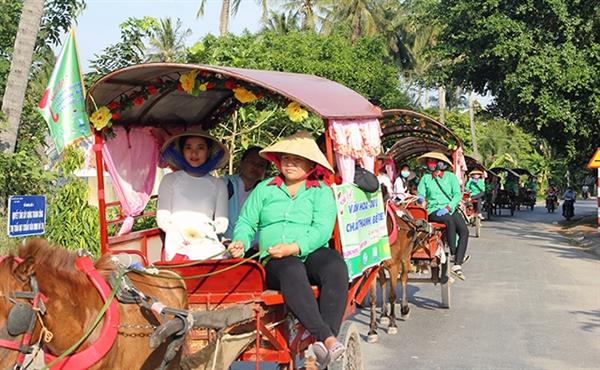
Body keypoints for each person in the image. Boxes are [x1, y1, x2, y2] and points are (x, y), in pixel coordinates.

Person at [228, 131, 348, 369]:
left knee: (336, 266)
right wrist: (240, 241)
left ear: (310, 164)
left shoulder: (321, 191)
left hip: (308, 251)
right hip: (275, 257)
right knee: (291, 269)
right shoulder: (265, 189)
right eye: (285, 158)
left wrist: (294, 247)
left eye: (297, 159)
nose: (289, 163)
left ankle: (321, 345)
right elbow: (246, 223)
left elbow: (322, 230)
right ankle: (326, 336)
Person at [157, 131, 229, 261]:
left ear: (208, 152)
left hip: (208, 243)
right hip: (176, 243)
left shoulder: (218, 184)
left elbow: (222, 223)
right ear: (182, 152)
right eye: (188, 148)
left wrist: (202, 231)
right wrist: (182, 232)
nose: (194, 153)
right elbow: (162, 218)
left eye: (200, 148)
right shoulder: (170, 180)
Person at [416, 151, 469, 280]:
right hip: (434, 210)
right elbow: (421, 194)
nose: (431, 164)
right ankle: (454, 252)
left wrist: (448, 207)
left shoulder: (450, 177)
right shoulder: (426, 178)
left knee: (464, 231)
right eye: (429, 162)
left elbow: (457, 195)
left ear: (441, 164)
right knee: (449, 221)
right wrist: (421, 200)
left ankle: (457, 264)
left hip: (450, 208)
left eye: (433, 162)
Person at [222, 146, 269, 239]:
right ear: (241, 162)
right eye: (251, 162)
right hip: (222, 243)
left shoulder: (265, 192)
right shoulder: (225, 184)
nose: (255, 167)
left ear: (265, 170)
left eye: (261, 165)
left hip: (252, 247)